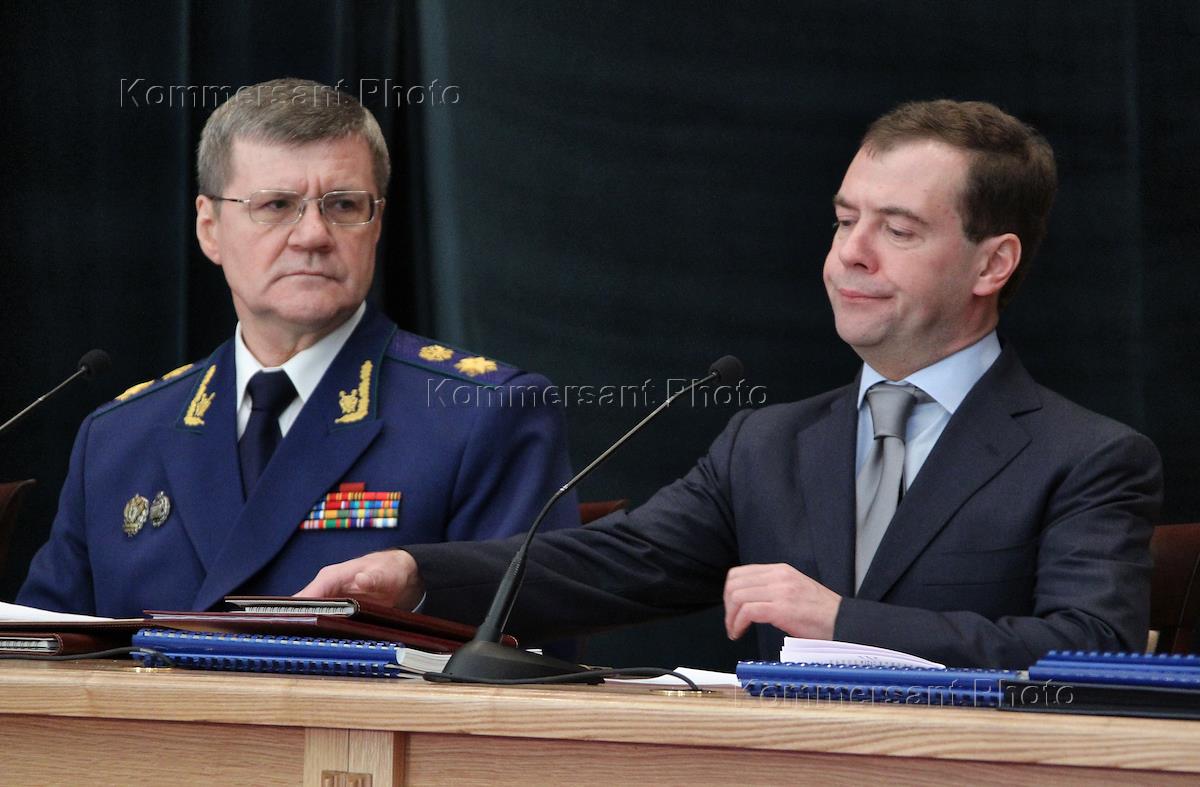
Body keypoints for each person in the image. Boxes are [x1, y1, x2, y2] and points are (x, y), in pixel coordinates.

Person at [298, 99, 1162, 669]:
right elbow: (614, 563)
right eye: (844, 220)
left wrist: (842, 621)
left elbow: (1087, 648)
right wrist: (414, 574)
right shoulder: (769, 443)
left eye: (897, 230)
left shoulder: (1087, 457)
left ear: (993, 263)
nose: (850, 254)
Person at [18, 78, 577, 617]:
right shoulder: (118, 438)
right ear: (209, 228)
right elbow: (39, 653)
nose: (312, 235)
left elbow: (524, 653)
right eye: (277, 205)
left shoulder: (479, 415)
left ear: (376, 223)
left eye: (343, 206)